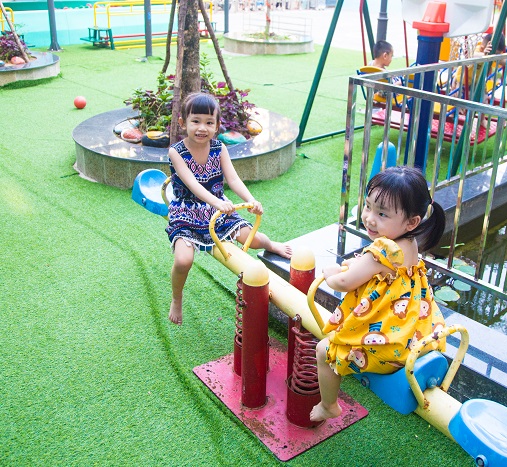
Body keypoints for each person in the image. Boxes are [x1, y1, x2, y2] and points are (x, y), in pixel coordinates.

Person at [310, 166, 447, 422]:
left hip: (388, 344)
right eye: (369, 206)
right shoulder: (409, 242)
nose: (370, 218)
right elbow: (380, 272)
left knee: (322, 350)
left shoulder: (385, 249)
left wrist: (330, 273)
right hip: (410, 329)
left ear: (411, 221)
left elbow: (343, 282)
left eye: (382, 213)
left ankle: (328, 405)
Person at [166, 92, 292, 325]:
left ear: (217, 126)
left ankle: (271, 244)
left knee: (253, 239)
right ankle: (177, 297)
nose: (202, 128)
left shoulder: (219, 148)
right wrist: (216, 202)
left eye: (209, 122)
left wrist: (251, 200)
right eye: (195, 121)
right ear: (183, 123)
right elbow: (193, 185)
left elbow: (233, 180)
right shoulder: (176, 151)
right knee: (183, 260)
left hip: (218, 209)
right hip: (188, 210)